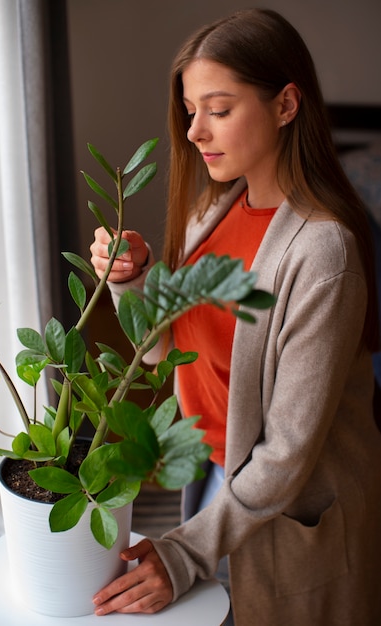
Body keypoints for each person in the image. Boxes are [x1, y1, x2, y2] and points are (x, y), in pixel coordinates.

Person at [89, 8, 381, 625]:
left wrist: (183, 552)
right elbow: (163, 353)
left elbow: (286, 454)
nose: (195, 132)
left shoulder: (324, 252)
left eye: (217, 110)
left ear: (285, 105)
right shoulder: (211, 212)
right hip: (209, 475)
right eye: (191, 111)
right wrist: (132, 280)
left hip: (284, 500)